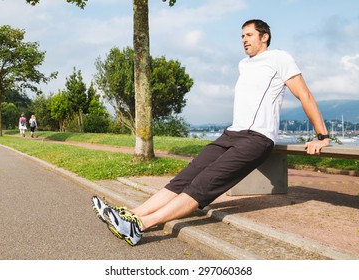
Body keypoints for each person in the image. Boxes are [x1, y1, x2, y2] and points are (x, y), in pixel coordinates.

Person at [92, 19, 330, 246]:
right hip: (232, 134)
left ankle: (139, 226)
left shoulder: (280, 58)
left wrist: (322, 136)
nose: (244, 40)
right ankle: (131, 213)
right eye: (242, 36)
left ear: (264, 37)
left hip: (257, 138)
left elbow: (304, 95)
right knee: (185, 177)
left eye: (249, 35)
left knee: (203, 184)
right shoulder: (244, 64)